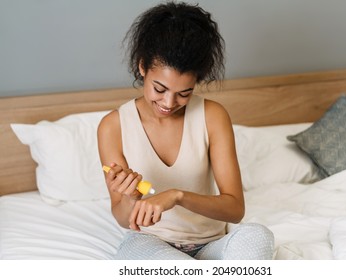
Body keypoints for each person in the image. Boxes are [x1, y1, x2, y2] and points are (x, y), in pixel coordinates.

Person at [97, 1, 274, 260]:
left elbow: (235, 209)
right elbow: (124, 219)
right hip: (150, 243)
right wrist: (132, 198)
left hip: (211, 244)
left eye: (184, 93)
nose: (169, 104)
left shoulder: (212, 116)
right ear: (142, 66)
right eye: (159, 89)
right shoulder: (113, 126)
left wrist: (177, 196)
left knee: (257, 235)